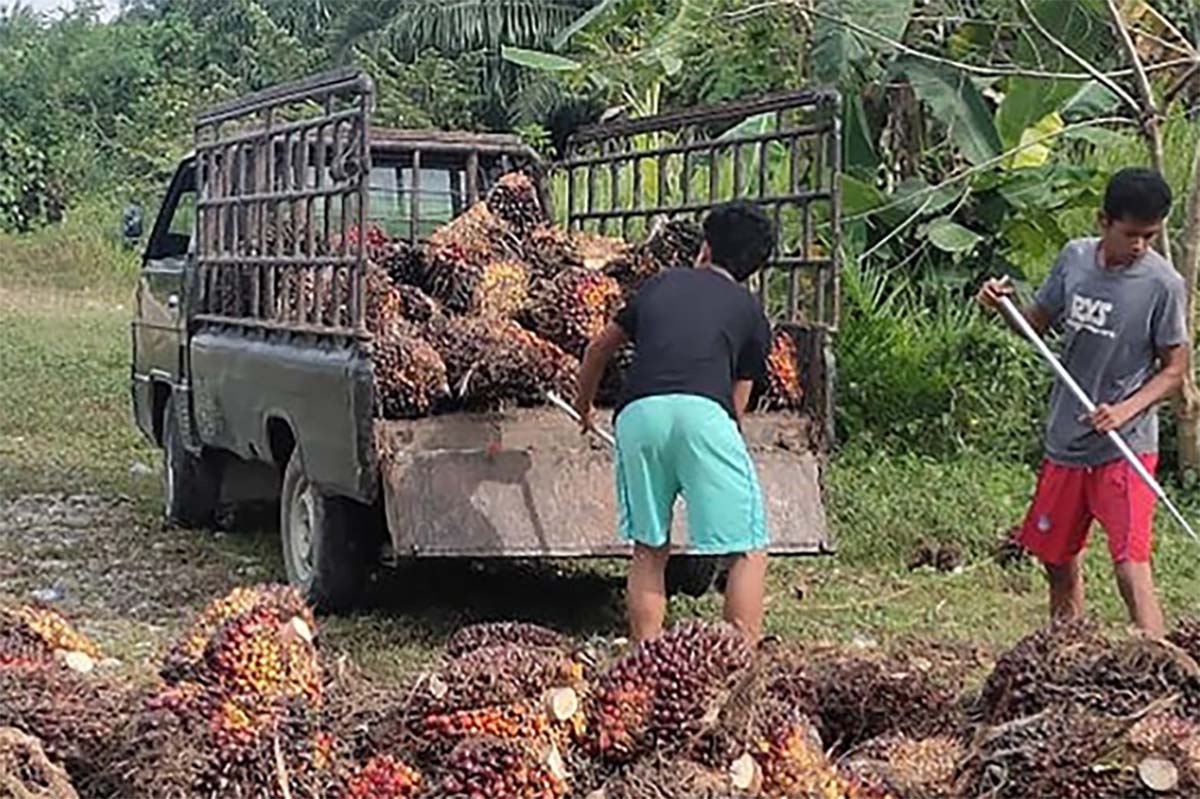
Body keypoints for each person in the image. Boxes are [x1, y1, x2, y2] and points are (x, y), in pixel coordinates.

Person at [977, 167, 1188, 636]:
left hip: (1125, 447)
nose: (1139, 246)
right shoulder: (1073, 260)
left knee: (1130, 566)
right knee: (1056, 558)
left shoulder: (1163, 285)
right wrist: (1004, 305)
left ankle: (1158, 668)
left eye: (1149, 236)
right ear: (1103, 221)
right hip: (1067, 438)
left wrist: (1126, 409)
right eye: (1131, 234)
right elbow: (1036, 324)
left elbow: (1174, 370)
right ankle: (1067, 654)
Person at [573, 201, 775, 644]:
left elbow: (598, 349)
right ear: (754, 268)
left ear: (704, 247)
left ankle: (646, 663)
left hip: (637, 415)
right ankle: (740, 663)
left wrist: (584, 407)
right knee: (745, 548)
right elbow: (736, 406)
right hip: (705, 414)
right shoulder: (749, 311)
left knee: (649, 548)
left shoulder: (660, 285)